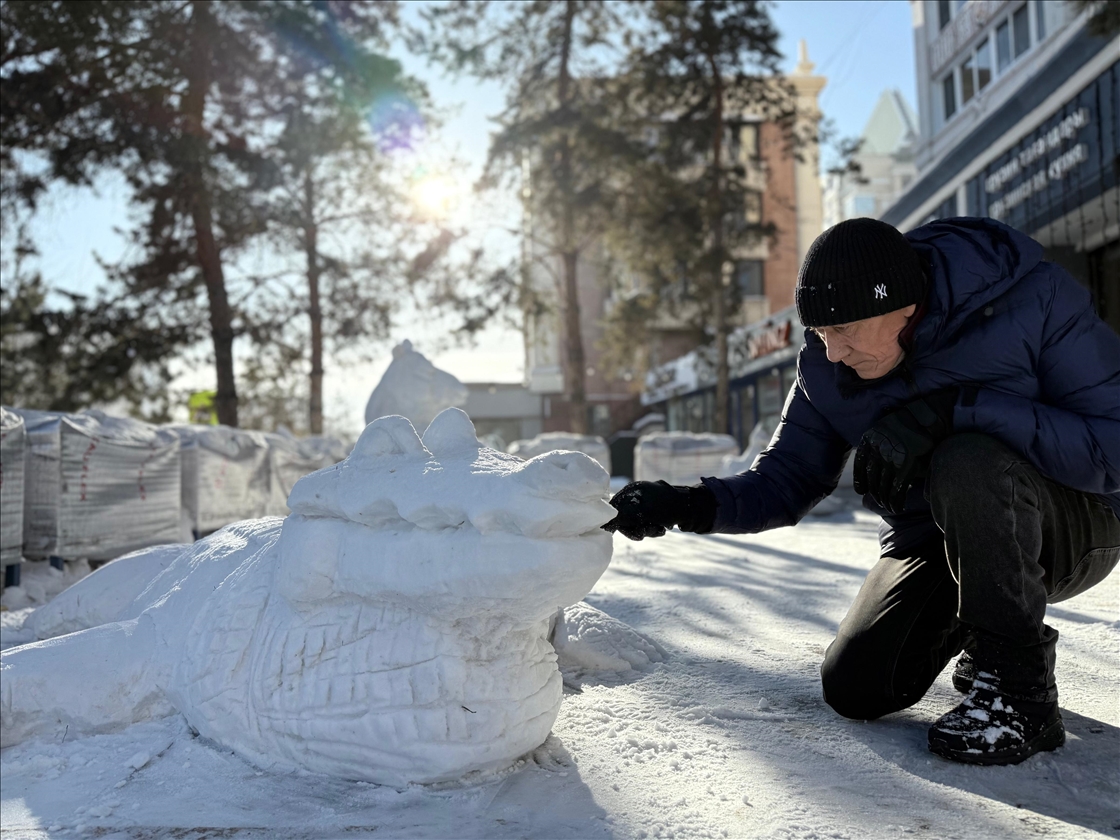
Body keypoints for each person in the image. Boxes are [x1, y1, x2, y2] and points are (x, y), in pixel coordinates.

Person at [605, 217, 1120, 766]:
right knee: (856, 687)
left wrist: (956, 411)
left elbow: (1111, 448)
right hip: (938, 538)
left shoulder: (1032, 299)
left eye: (844, 329)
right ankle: (986, 632)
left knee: (967, 457)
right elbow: (784, 481)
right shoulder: (825, 368)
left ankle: (1019, 693)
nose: (833, 352)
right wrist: (684, 504)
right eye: (822, 333)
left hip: (1072, 527)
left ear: (902, 304)